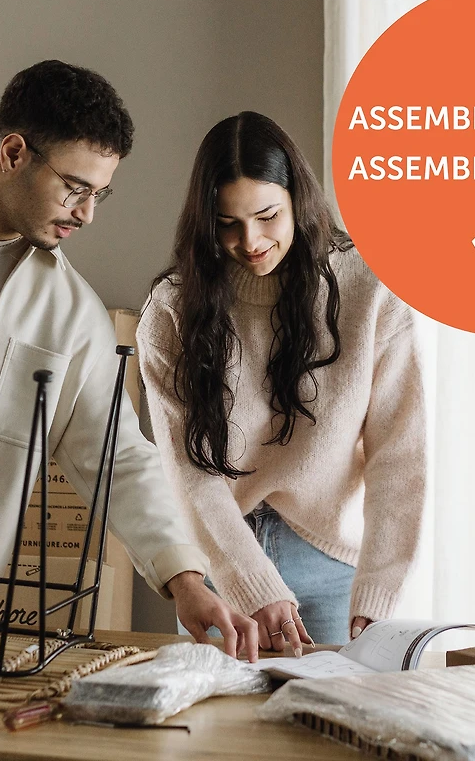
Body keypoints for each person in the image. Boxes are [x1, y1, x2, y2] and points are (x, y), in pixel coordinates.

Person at [0, 60, 258, 659]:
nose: (87, 213)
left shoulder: (71, 317)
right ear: (14, 153)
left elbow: (119, 456)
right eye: (75, 187)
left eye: (100, 194)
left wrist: (186, 581)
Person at [137, 111, 426, 653]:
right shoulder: (173, 310)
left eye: (267, 215)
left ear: (298, 198)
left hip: (331, 566)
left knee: (331, 731)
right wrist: (250, 580)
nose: (251, 241)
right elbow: (188, 470)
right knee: (216, 732)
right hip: (219, 560)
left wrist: (379, 592)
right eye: (227, 224)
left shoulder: (369, 291)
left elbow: (400, 454)